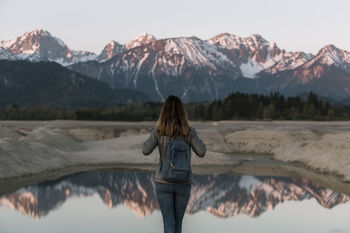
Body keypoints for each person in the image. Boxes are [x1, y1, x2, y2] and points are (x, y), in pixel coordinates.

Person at [142, 95, 206, 233]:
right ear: (183, 113)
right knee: (178, 225)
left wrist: (155, 134)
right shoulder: (189, 132)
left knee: (169, 224)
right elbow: (201, 152)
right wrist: (194, 136)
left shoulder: (159, 131)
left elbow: (145, 150)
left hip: (163, 182)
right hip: (183, 182)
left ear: (163, 112)